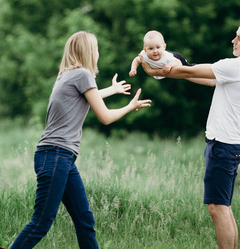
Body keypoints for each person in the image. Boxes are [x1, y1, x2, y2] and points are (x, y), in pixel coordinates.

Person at [10, 31, 151, 249]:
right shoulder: (84, 75)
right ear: (87, 52)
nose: (97, 53)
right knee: (41, 222)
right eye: (95, 49)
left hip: (58, 157)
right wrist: (130, 107)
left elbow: (85, 96)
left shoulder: (67, 75)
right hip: (56, 155)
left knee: (85, 221)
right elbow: (105, 117)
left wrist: (112, 90)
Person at [140, 16, 240, 249]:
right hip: (234, 145)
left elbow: (188, 73)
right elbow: (209, 80)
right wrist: (182, 66)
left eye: (239, 38)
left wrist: (152, 68)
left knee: (217, 208)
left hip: (222, 145)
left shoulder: (236, 65)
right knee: (224, 207)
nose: (233, 41)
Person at [129, 30, 194, 80]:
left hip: (176, 58)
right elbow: (136, 60)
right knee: (187, 76)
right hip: (165, 69)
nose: (155, 51)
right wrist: (133, 69)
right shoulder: (144, 55)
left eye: (158, 47)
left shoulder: (167, 57)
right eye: (151, 49)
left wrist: (170, 65)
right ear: (145, 50)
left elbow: (179, 62)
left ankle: (201, 70)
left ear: (164, 47)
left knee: (190, 69)